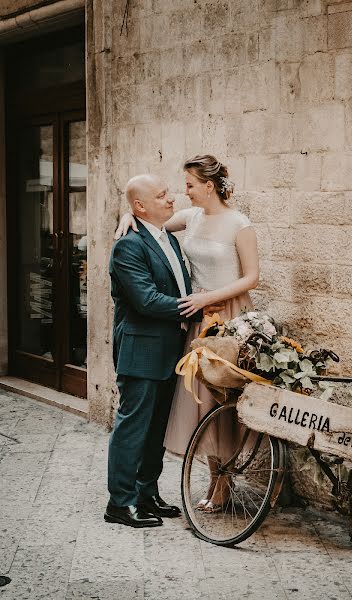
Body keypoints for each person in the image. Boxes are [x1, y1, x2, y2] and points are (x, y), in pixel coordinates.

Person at [115, 155, 259, 512]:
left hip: (227, 315)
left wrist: (207, 298)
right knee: (203, 404)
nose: (181, 194)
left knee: (225, 403)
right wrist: (126, 215)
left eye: (189, 186)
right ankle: (211, 481)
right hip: (195, 320)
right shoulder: (191, 218)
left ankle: (222, 484)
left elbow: (252, 277)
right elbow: (151, 221)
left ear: (208, 186)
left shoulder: (239, 223)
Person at [107, 174, 199, 528]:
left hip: (169, 349)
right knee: (133, 426)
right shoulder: (128, 246)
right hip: (141, 351)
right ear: (140, 206)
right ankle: (120, 502)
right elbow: (145, 300)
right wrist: (197, 306)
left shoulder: (167, 238)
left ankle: (147, 493)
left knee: (157, 426)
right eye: (162, 196)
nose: (171, 199)